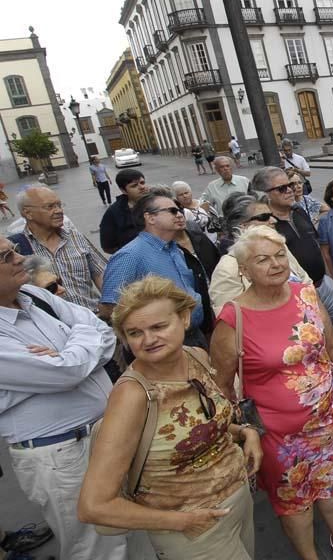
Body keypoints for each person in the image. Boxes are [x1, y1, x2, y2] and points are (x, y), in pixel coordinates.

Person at [78, 277, 261, 560]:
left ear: (185, 318)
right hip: (194, 532)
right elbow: (94, 505)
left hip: (239, 500)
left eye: (159, 326)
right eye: (135, 333)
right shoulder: (132, 396)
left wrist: (246, 432)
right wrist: (183, 522)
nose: (149, 340)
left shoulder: (196, 357)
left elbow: (198, 425)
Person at [211, 227, 333, 560]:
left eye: (280, 255)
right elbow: (221, 387)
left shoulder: (305, 292)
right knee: (294, 499)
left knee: (330, 481)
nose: (276, 264)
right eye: (262, 259)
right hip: (277, 434)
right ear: (243, 270)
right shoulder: (232, 318)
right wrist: (241, 432)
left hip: (328, 418)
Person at [0, 236, 127, 559]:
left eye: (14, 250)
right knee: (96, 546)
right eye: (5, 256)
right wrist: (75, 350)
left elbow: (102, 330)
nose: (20, 259)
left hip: (105, 436)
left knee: (135, 532)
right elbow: (66, 372)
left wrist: (67, 350)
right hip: (61, 455)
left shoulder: (33, 294)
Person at [101, 189, 213, 348]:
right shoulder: (130, 255)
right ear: (150, 218)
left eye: (179, 209)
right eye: (172, 211)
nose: (180, 214)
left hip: (194, 336)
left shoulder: (175, 249)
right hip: (160, 345)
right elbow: (111, 308)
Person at [251, 167, 333, 325]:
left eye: (290, 186)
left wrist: (329, 278)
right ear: (265, 194)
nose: (290, 191)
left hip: (324, 285)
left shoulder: (299, 211)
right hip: (299, 295)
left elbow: (317, 245)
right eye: (282, 188)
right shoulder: (265, 226)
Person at [208, 194, 312, 314]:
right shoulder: (227, 268)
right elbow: (230, 319)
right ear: (243, 225)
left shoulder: (279, 247)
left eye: (272, 215)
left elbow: (305, 281)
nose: (274, 220)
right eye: (264, 217)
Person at [10, 185, 106, 310]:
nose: (59, 211)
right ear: (28, 213)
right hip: (54, 325)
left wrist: (108, 305)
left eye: (59, 205)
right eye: (50, 207)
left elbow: (100, 274)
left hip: (94, 316)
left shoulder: (75, 236)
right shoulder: (17, 250)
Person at [99, 169, 148, 254]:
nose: (142, 187)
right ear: (123, 190)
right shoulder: (114, 212)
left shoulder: (159, 202)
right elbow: (107, 246)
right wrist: (130, 254)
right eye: (134, 185)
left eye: (142, 183)